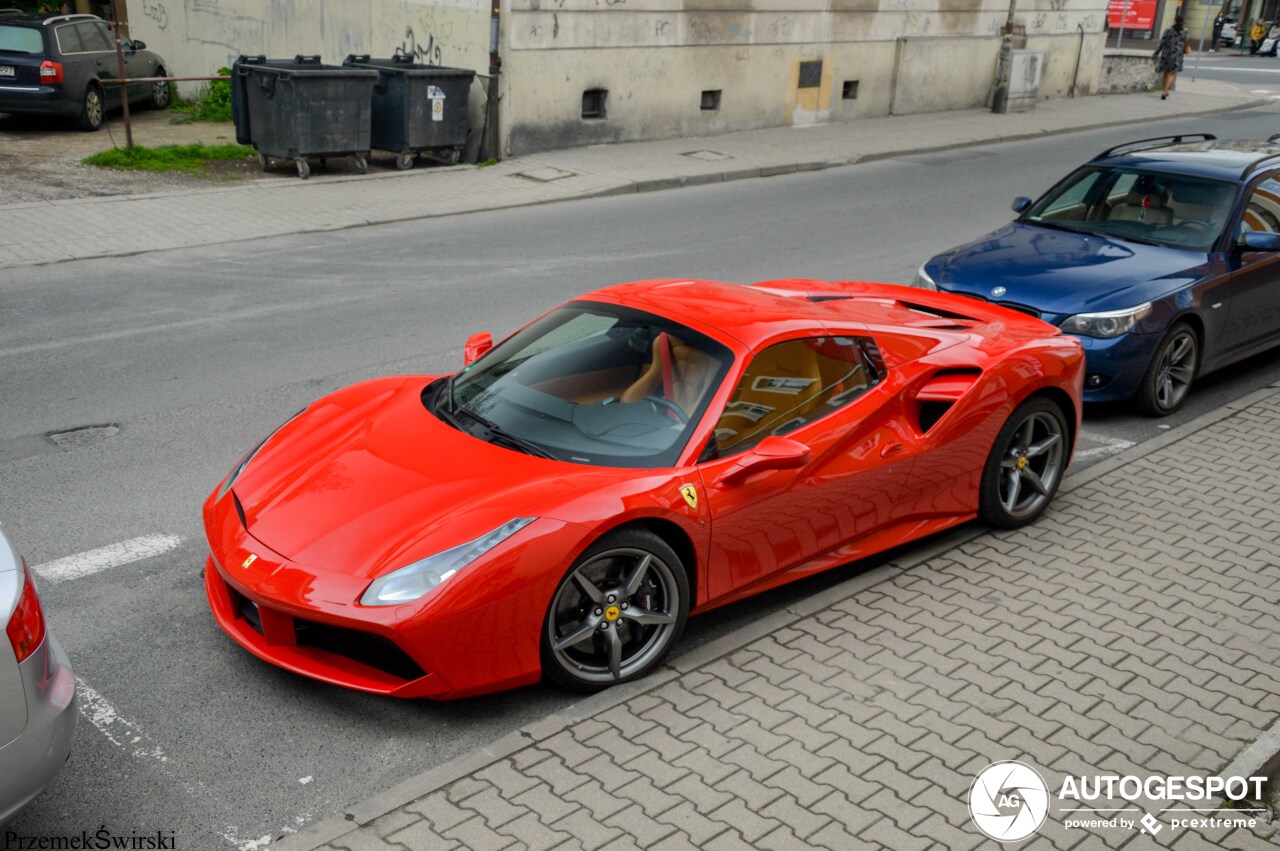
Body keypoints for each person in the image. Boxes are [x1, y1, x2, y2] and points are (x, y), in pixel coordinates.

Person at [1154, 15, 1190, 99]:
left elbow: (1162, 42)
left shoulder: (1168, 30)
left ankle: (1164, 90)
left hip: (1166, 53)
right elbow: (1186, 41)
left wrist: (1156, 53)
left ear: (1174, 20)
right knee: (1171, 74)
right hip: (1177, 55)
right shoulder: (1185, 31)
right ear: (1183, 21)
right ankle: (1165, 92)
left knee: (1165, 73)